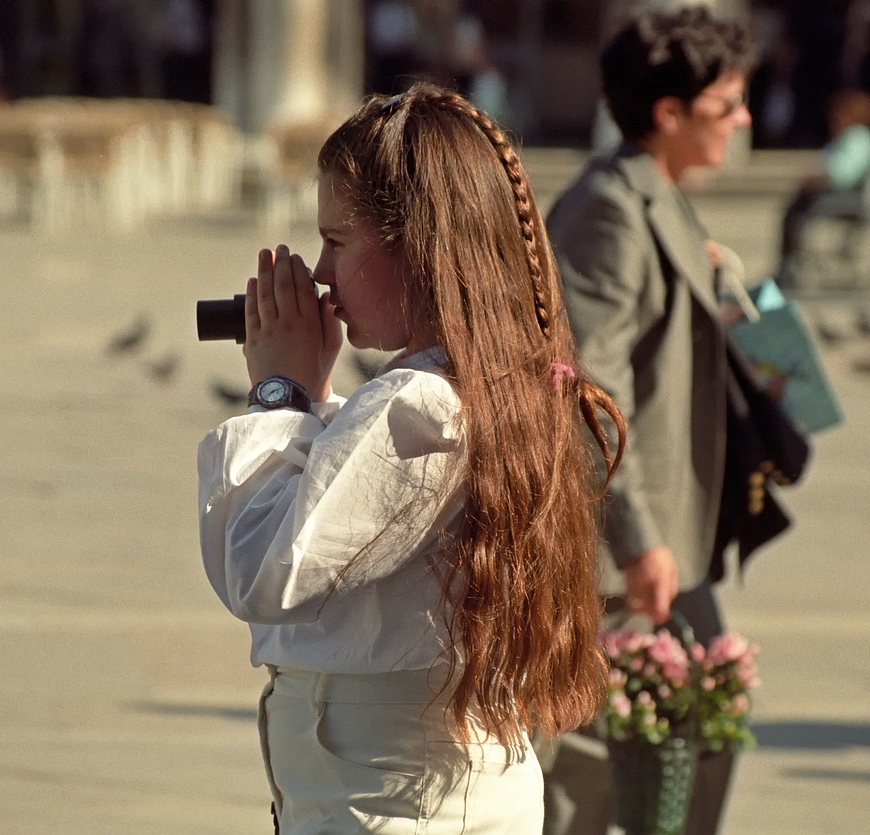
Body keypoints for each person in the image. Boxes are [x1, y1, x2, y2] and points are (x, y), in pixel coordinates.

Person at [197, 84, 628, 833]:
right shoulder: (472, 384)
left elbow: (267, 571)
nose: (322, 272)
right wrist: (319, 399)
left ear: (417, 248)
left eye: (339, 240)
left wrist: (278, 394)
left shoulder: (421, 404)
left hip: (397, 808)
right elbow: (360, 517)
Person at [544, 7, 762, 835]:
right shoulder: (611, 209)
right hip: (622, 531)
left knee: (688, 728)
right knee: (613, 750)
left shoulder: (654, 193)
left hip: (667, 516)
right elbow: (585, 384)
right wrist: (635, 535)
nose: (743, 121)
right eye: (727, 105)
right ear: (668, 113)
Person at [774, 88, 870, 288]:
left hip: (852, 199)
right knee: (796, 208)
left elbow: (842, 174)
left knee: (800, 212)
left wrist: (815, 178)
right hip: (840, 194)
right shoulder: (846, 137)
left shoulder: (858, 137)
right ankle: (790, 264)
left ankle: (791, 267)